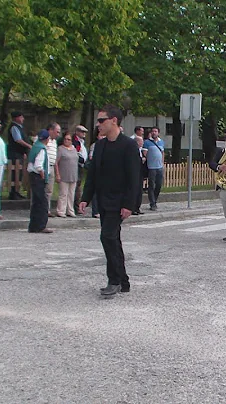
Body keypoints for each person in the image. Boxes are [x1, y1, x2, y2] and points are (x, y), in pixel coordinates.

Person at [79, 105, 140, 297]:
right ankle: (123, 281)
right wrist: (85, 198)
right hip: (103, 201)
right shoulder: (101, 146)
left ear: (114, 120)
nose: (98, 125)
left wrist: (129, 205)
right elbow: (93, 175)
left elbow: (134, 178)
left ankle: (113, 280)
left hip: (119, 201)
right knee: (113, 240)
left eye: (101, 120)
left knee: (107, 237)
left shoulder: (128, 146)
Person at [27, 129, 53, 233]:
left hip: (33, 176)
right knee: (42, 203)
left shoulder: (35, 146)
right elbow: (38, 164)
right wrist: (42, 173)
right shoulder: (41, 149)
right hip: (38, 177)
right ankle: (41, 225)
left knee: (36, 202)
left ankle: (33, 225)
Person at [54, 131, 79, 217]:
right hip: (63, 174)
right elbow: (56, 162)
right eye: (65, 139)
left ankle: (70, 210)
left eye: (69, 139)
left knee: (71, 194)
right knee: (63, 194)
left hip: (73, 174)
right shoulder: (60, 149)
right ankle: (61, 210)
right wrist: (57, 174)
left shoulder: (74, 148)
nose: (66, 141)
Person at [7, 111, 31, 200]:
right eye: (21, 117)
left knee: (19, 173)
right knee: (15, 173)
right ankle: (13, 192)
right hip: (15, 153)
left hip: (20, 153)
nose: (23, 119)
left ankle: (17, 191)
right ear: (16, 118)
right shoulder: (14, 127)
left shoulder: (20, 127)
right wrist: (28, 146)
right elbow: (18, 140)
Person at [143, 126, 164, 211]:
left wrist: (162, 162)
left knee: (158, 185)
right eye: (153, 131)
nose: (154, 133)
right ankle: (152, 203)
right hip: (151, 167)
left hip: (159, 167)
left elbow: (162, 152)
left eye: (155, 131)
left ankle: (155, 200)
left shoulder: (161, 142)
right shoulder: (147, 142)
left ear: (158, 133)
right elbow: (145, 153)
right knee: (151, 185)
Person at [44, 122, 61, 217]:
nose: (58, 134)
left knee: (49, 190)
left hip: (51, 165)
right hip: (44, 166)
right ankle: (40, 209)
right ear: (50, 130)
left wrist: (57, 172)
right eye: (57, 132)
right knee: (42, 189)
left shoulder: (54, 142)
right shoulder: (44, 140)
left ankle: (47, 209)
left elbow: (54, 157)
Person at [71, 125, 88, 214]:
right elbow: (76, 153)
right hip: (77, 166)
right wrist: (81, 160)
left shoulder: (81, 142)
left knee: (78, 186)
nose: (84, 134)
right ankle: (75, 207)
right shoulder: (75, 141)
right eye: (82, 132)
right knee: (76, 187)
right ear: (77, 132)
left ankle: (76, 206)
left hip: (81, 165)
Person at [133, 135, 147, 215]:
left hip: (140, 173)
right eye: (141, 141)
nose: (142, 143)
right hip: (135, 173)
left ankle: (137, 207)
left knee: (139, 191)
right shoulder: (134, 150)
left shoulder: (141, 150)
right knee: (135, 191)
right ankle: (133, 208)